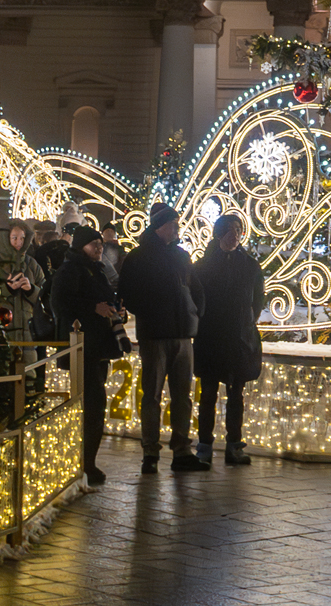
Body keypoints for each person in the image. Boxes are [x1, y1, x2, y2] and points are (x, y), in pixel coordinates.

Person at [119, 202, 208, 474]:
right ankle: (151, 451)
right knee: (153, 395)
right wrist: (153, 309)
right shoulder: (138, 257)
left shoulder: (181, 256)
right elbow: (128, 295)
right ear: (161, 226)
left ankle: (181, 450)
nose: (177, 229)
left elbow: (196, 289)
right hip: (155, 335)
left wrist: (194, 314)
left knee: (183, 396)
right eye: (173, 224)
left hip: (182, 335)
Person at [46, 223, 121, 486]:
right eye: (94, 244)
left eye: (100, 244)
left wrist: (113, 309)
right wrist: (94, 308)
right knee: (91, 404)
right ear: (81, 246)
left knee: (95, 404)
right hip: (83, 347)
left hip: (98, 346)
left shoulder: (95, 269)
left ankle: (89, 461)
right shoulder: (71, 270)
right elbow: (61, 303)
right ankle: (84, 462)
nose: (99, 248)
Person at [191, 212, 265, 465]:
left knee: (236, 394)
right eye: (230, 229)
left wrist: (247, 322)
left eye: (238, 229)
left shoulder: (250, 266)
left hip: (239, 339)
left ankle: (234, 444)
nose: (235, 234)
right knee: (208, 393)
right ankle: (204, 445)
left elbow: (258, 300)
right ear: (219, 233)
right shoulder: (203, 266)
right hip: (211, 338)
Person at [0, 223, 43, 345]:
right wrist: (7, 289)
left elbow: (46, 294)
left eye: (22, 238)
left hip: (28, 335)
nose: (19, 242)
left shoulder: (31, 264)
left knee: (28, 363)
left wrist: (31, 290)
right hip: (0, 332)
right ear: (6, 238)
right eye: (14, 238)